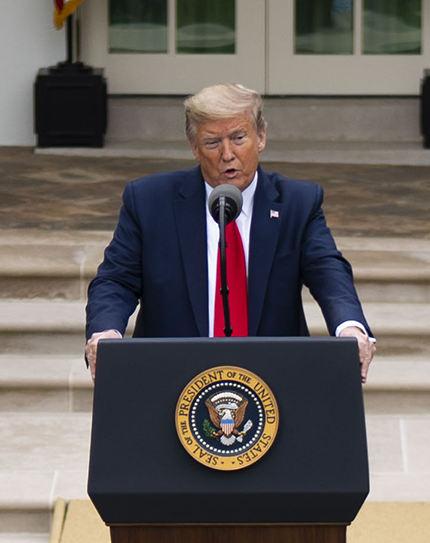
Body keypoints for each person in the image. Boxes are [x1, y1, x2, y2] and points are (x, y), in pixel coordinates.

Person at [84, 85, 375, 381]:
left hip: (272, 381)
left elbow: (328, 271)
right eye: (212, 143)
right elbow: (116, 280)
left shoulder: (297, 203)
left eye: (238, 138)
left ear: (260, 137)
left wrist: (349, 326)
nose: (227, 154)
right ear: (194, 148)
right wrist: (106, 331)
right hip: (172, 378)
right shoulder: (149, 201)